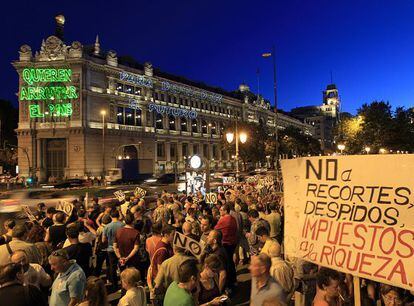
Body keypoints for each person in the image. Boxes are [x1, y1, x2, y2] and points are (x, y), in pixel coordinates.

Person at [214, 204, 238, 289]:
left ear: (225, 211)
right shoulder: (233, 218)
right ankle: (233, 280)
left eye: (221, 210)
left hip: (226, 243)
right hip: (233, 243)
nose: (220, 211)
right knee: (230, 262)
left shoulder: (224, 219)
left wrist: (219, 220)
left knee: (226, 264)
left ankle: (228, 283)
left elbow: (215, 229)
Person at [103, 209, 124, 292]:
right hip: (121, 249)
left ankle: (114, 285)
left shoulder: (107, 226)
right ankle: (124, 284)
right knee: (122, 267)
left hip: (111, 249)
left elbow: (104, 239)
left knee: (113, 267)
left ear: (111, 216)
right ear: (118, 216)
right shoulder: (122, 225)